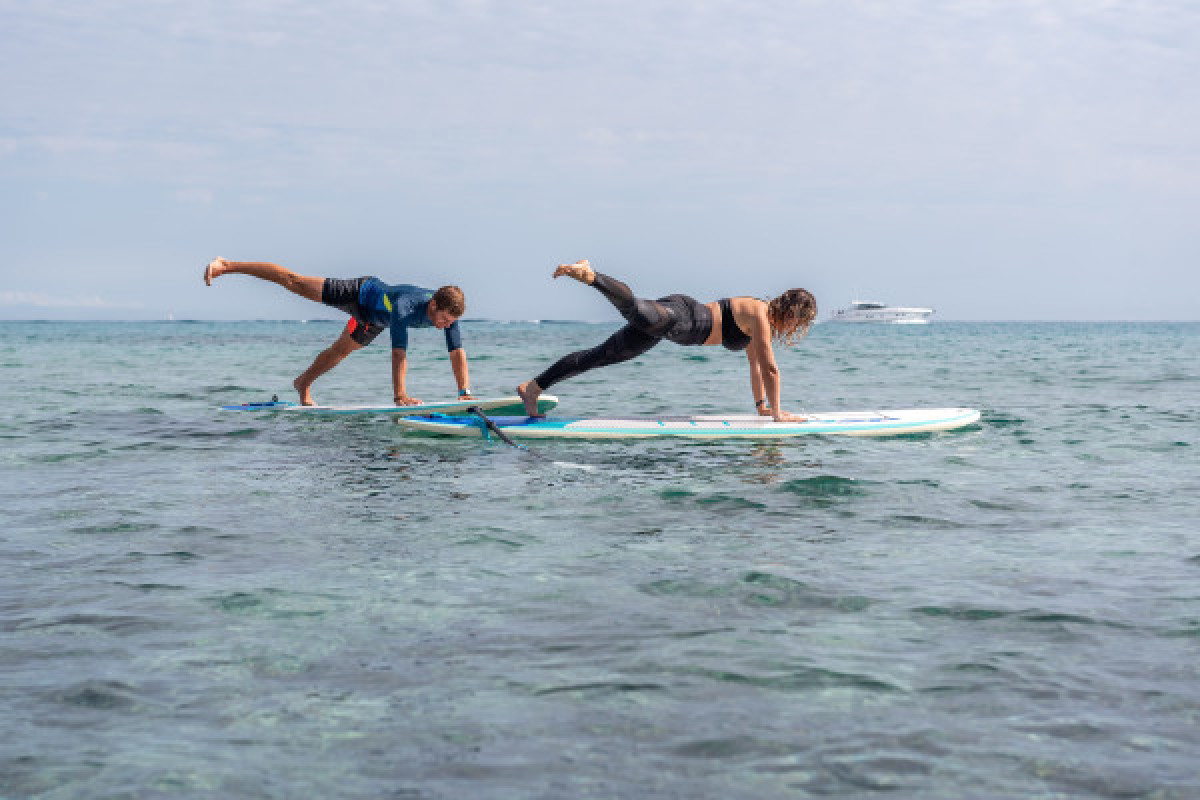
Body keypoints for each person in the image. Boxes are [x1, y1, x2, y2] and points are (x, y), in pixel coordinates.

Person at [515, 260, 816, 421]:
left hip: (674, 329)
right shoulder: (760, 315)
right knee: (635, 308)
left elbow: (756, 367)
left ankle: (532, 389)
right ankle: (591, 276)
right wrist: (778, 416)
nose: (796, 328)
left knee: (600, 356)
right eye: (800, 321)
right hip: (682, 317)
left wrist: (761, 406)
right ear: (792, 314)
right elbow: (771, 369)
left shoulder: (759, 322)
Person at [203, 257, 472, 406]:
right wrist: (400, 396)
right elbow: (399, 355)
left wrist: (465, 391)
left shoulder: (450, 315)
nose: (447, 325)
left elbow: (457, 354)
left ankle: (303, 383)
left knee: (340, 351)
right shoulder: (405, 307)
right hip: (359, 293)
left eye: (451, 322)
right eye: (444, 319)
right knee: (293, 281)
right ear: (434, 304)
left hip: (373, 320)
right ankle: (226, 266)